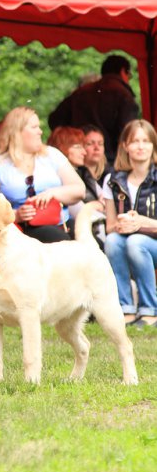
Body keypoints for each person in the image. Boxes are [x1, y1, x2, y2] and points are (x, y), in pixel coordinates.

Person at [0, 107, 85, 243]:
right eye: (34, 127)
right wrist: (15, 215)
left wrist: (53, 193)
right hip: (18, 231)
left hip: (60, 223)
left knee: (91, 242)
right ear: (17, 131)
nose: (40, 132)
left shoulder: (51, 154)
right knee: (57, 239)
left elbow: (79, 189)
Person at [103, 119, 157, 327]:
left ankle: (150, 310)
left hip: (148, 243)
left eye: (146, 141)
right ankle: (125, 308)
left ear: (153, 145)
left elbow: (139, 231)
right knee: (113, 241)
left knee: (136, 241)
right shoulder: (114, 180)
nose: (141, 146)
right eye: (135, 141)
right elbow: (109, 226)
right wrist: (121, 225)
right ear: (125, 146)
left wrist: (141, 223)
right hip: (129, 242)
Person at [48, 54, 138, 164]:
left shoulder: (81, 92)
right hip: (112, 160)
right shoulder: (124, 95)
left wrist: (73, 141)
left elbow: (55, 120)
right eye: (129, 75)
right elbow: (128, 132)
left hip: (81, 157)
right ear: (123, 71)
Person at [47, 125, 107, 242]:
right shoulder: (58, 179)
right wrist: (95, 205)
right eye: (78, 147)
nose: (84, 152)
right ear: (62, 148)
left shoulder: (84, 172)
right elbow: (79, 212)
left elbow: (104, 199)